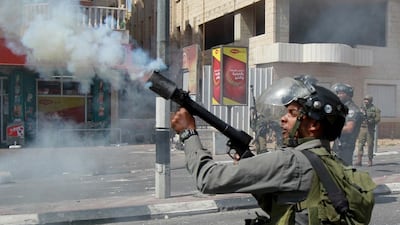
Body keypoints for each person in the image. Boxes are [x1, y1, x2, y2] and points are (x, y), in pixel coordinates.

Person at [171, 76, 348, 224]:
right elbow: (288, 208)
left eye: (292, 113)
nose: (283, 119)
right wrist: (249, 162)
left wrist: (188, 133)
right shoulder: (335, 164)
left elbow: (208, 179)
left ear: (314, 125)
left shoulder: (290, 161)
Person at [331, 83, 362, 166]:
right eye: (338, 93)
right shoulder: (342, 108)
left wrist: (330, 129)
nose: (339, 95)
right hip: (338, 144)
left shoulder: (352, 109)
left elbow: (349, 128)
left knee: (344, 170)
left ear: (348, 95)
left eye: (341, 93)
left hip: (346, 146)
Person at [356, 95, 381, 166]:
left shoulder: (375, 109)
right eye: (365, 99)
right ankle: (359, 160)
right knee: (360, 144)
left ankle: (370, 160)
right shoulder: (361, 109)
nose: (365, 101)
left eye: (367, 100)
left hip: (370, 129)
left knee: (370, 145)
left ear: (370, 101)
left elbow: (378, 119)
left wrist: (371, 121)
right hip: (362, 128)